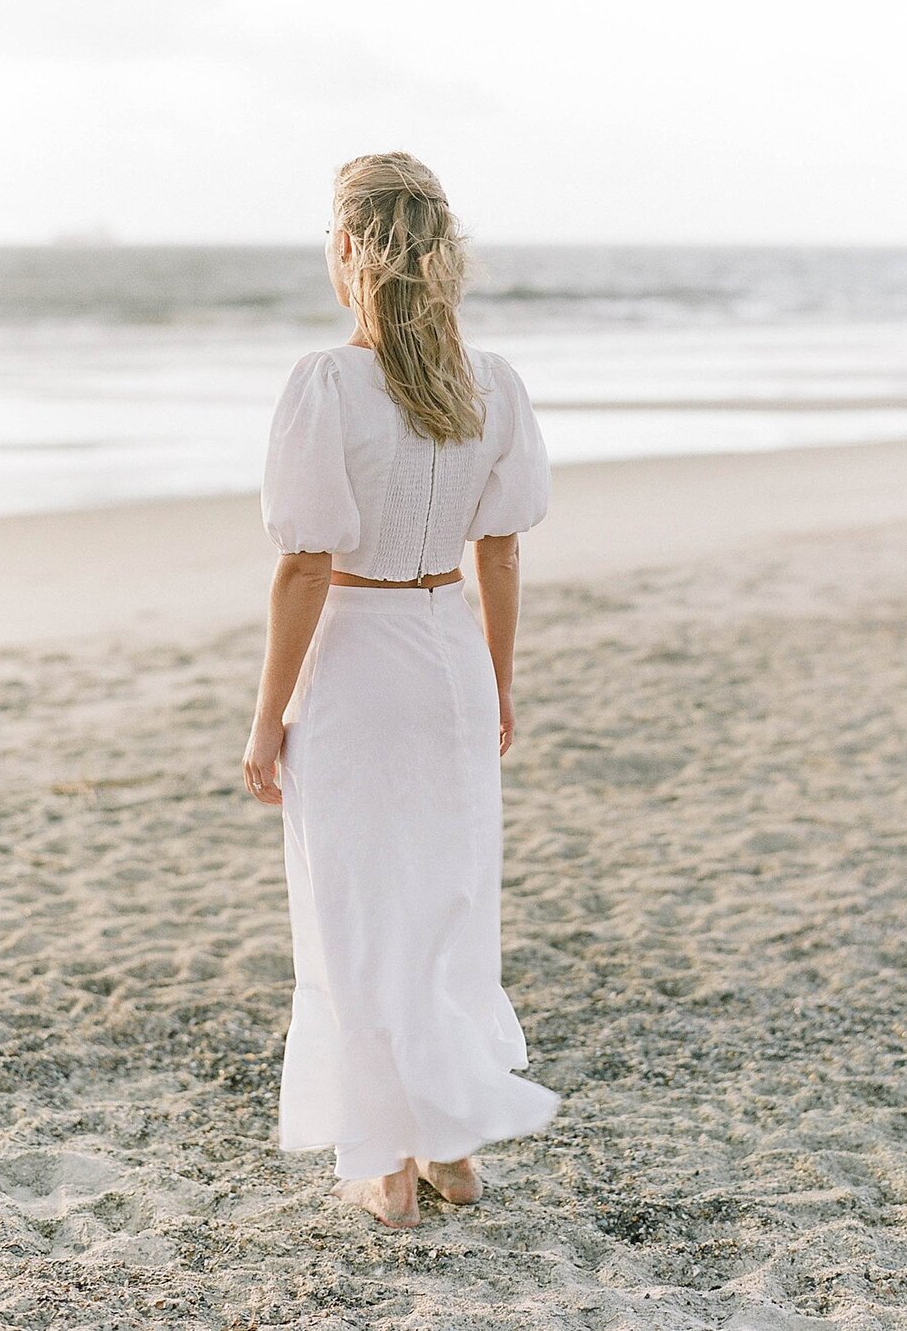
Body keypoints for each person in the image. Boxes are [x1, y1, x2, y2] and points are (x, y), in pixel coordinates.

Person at [242, 151, 560, 1230]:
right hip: (451, 661)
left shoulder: (327, 386)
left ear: (349, 254)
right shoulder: (493, 384)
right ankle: (451, 1152)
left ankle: (387, 1166)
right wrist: (497, 688)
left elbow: (303, 568)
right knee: (444, 908)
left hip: (360, 661)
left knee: (355, 915)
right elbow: (501, 553)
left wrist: (265, 719)